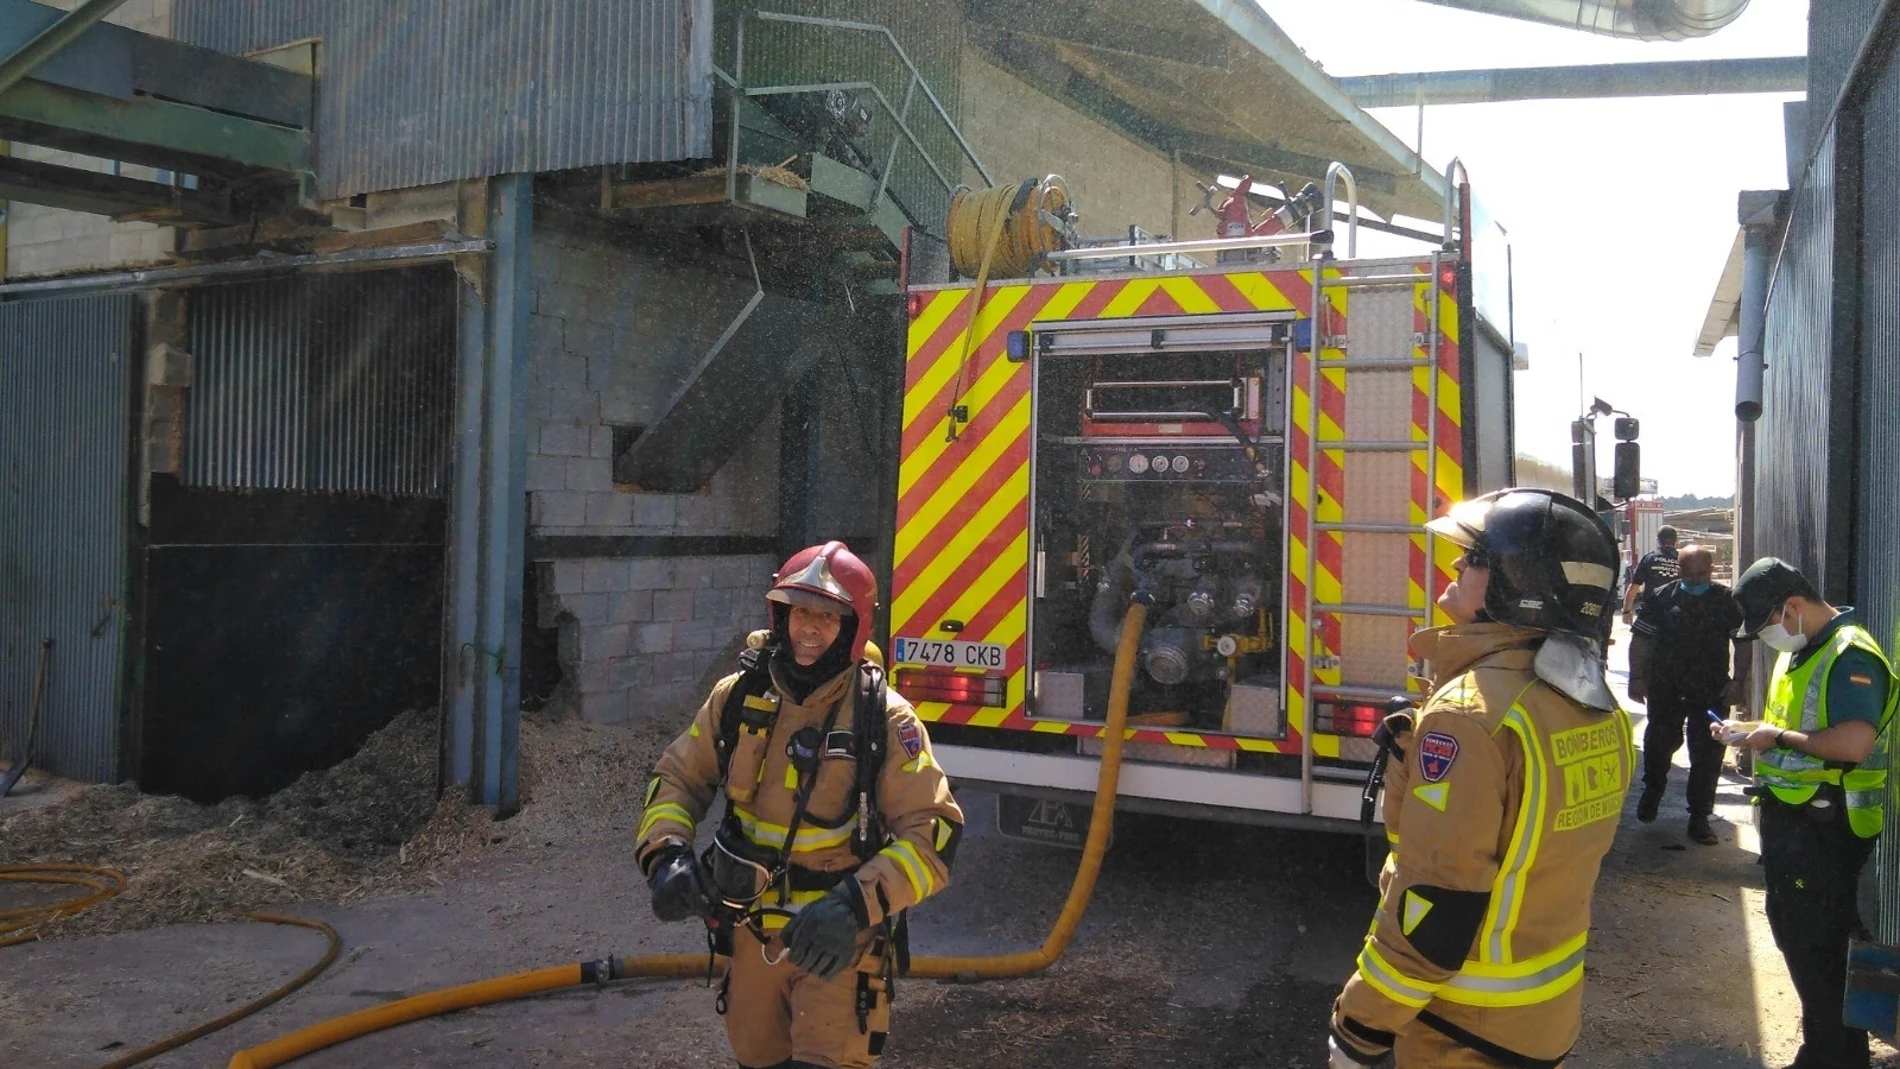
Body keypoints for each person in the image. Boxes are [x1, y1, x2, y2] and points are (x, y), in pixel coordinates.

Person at [1329, 488, 1635, 1069]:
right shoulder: (1595, 708)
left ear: (1518, 586)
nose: (1456, 565)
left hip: (1461, 1031)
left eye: (1474, 558)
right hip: (1539, 1019)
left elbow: (1436, 904)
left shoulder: (1469, 717)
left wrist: (1359, 1029)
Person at [635, 541, 965, 1069]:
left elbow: (935, 834)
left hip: (837, 943)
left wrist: (854, 907)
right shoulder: (738, 696)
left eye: (829, 618)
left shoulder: (885, 718)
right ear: (780, 615)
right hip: (749, 938)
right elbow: (676, 778)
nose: (810, 630)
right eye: (801, 613)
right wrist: (666, 856)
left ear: (853, 627)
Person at [1713, 557, 1895, 1069]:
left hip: (1828, 826)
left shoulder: (1849, 653)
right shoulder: (1806, 651)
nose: (1770, 636)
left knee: (1820, 951)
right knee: (1806, 943)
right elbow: (1791, 727)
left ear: (1791, 607)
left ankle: (1832, 1058)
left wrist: (1776, 738)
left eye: (1768, 625)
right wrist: (1748, 731)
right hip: (1800, 822)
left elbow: (1854, 742)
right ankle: (1827, 1051)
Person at [1627, 544, 1749, 844]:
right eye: (1690, 574)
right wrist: (1637, 678)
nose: (1696, 580)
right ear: (1678, 570)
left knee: (1707, 754)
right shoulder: (1661, 598)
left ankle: (1699, 816)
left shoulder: (1726, 601)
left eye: (1703, 574)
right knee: (1658, 743)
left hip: (1710, 689)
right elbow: (1641, 640)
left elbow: (1743, 643)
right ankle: (1653, 789)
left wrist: (1738, 681)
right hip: (1665, 687)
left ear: (1712, 570)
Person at [1620, 525, 1679, 626]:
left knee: (1640, 640)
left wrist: (1626, 611)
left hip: (1651, 614)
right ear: (1676, 541)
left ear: (1658, 540)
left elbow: (1633, 587)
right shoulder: (1682, 559)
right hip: (1675, 614)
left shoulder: (1649, 558)